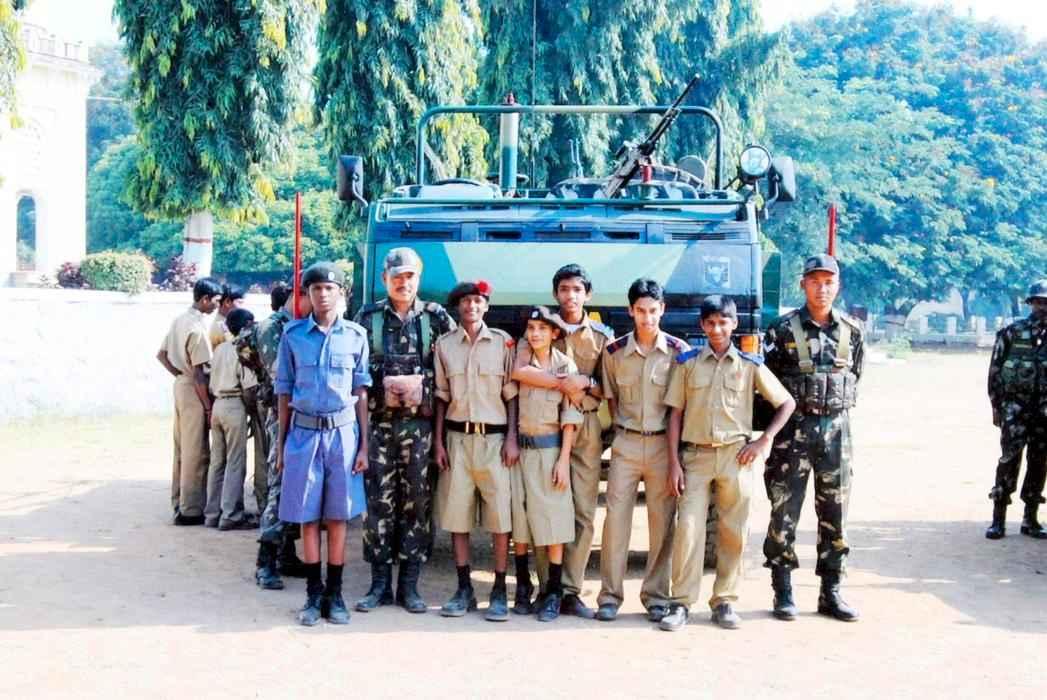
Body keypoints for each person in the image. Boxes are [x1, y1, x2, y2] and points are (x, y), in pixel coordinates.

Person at [659, 295, 795, 632]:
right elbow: (675, 414)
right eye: (711, 323)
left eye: (723, 322)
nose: (717, 328)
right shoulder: (688, 363)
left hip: (736, 457)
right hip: (696, 457)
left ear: (734, 324)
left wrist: (763, 440)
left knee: (733, 531)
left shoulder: (749, 365)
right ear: (702, 325)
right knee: (688, 530)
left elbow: (786, 403)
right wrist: (674, 462)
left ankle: (724, 601)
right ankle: (681, 603)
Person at [761, 254, 864, 622]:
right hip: (793, 436)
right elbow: (766, 386)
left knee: (835, 515)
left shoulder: (852, 331)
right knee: (783, 512)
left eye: (828, 281)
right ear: (803, 284)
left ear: (838, 285)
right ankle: (783, 590)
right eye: (815, 281)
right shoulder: (781, 330)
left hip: (837, 436)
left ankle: (831, 591)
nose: (822, 288)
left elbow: (855, 377)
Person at [352, 247, 456, 614]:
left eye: (410, 276)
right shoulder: (367, 318)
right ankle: (379, 585)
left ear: (418, 278)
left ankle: (409, 587)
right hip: (378, 427)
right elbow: (355, 377)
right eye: (396, 276)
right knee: (378, 506)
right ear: (385, 279)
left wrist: (440, 435)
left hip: (420, 429)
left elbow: (451, 374)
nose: (403, 282)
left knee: (417, 505)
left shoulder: (436, 318)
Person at [510, 263, 614, 619]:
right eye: (564, 289)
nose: (571, 295)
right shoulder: (540, 329)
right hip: (544, 429)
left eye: (577, 289)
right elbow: (520, 370)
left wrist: (585, 382)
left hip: (584, 427)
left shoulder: (601, 337)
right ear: (556, 293)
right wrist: (562, 381)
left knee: (583, 511)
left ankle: (570, 590)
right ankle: (547, 588)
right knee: (541, 506)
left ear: (588, 295)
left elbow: (606, 388)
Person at [274, 262, 371, 625]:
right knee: (308, 515)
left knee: (338, 516)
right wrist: (282, 445)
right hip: (303, 434)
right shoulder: (292, 335)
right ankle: (313, 595)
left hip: (343, 434)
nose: (323, 294)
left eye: (330, 288)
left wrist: (364, 446)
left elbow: (361, 393)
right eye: (316, 289)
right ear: (307, 294)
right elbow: (284, 392)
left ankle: (336, 594)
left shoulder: (356, 336)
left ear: (341, 293)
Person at [596, 278, 687, 623]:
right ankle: (610, 596)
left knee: (662, 523)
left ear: (663, 310)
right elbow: (611, 399)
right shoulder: (615, 352)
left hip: (664, 445)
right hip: (627, 443)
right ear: (630, 311)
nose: (647, 318)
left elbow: (681, 406)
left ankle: (656, 596)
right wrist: (623, 431)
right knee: (615, 521)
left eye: (653, 311)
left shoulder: (678, 352)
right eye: (640, 311)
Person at [433, 279, 520, 622]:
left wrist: (512, 437)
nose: (471, 306)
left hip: (495, 442)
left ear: (487, 306)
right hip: (457, 440)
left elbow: (511, 395)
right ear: (458, 307)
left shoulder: (503, 343)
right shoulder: (445, 346)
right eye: (466, 301)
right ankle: (463, 588)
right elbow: (441, 396)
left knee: (500, 518)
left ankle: (498, 589)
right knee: (458, 516)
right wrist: (438, 442)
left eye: (477, 301)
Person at [510, 306, 582, 621]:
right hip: (521, 452)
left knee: (554, 521)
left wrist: (563, 460)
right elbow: (512, 395)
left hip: (550, 451)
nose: (535, 333)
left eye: (542, 328)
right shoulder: (521, 359)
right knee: (520, 519)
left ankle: (553, 591)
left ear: (555, 333)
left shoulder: (566, 365)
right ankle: (523, 586)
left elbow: (570, 416)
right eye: (531, 328)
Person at [243, 279, 311, 589]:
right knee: (280, 485)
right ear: (299, 295)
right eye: (311, 294)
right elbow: (280, 374)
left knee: (299, 487)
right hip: (282, 416)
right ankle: (266, 560)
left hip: (305, 416)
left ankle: (286, 554)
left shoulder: (301, 325)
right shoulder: (274, 327)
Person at [157, 277, 223, 526]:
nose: (217, 306)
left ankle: (179, 501)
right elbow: (199, 374)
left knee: (181, 448)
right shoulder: (197, 329)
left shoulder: (180, 320)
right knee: (196, 451)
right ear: (205, 299)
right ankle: (191, 509)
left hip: (181, 386)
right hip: (194, 389)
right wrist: (207, 406)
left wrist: (179, 374)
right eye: (216, 301)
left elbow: (161, 355)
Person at [985, 279, 1047, 540]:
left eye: (1046, 303)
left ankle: (1030, 519)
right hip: (1015, 409)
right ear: (1030, 303)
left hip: (1044, 411)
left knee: (1039, 462)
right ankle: (998, 519)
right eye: (1039, 302)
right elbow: (995, 371)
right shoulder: (1011, 333)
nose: (1043, 307)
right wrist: (996, 406)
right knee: (1009, 460)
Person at [204, 308, 260, 530]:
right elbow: (249, 388)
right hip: (234, 404)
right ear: (246, 326)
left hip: (217, 404)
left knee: (217, 462)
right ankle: (231, 514)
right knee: (236, 462)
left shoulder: (220, 349)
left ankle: (212, 513)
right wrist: (252, 411)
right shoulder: (242, 350)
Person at [210, 283, 246, 349]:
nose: (242, 307)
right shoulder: (222, 327)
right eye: (240, 302)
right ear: (227, 302)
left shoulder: (221, 322)